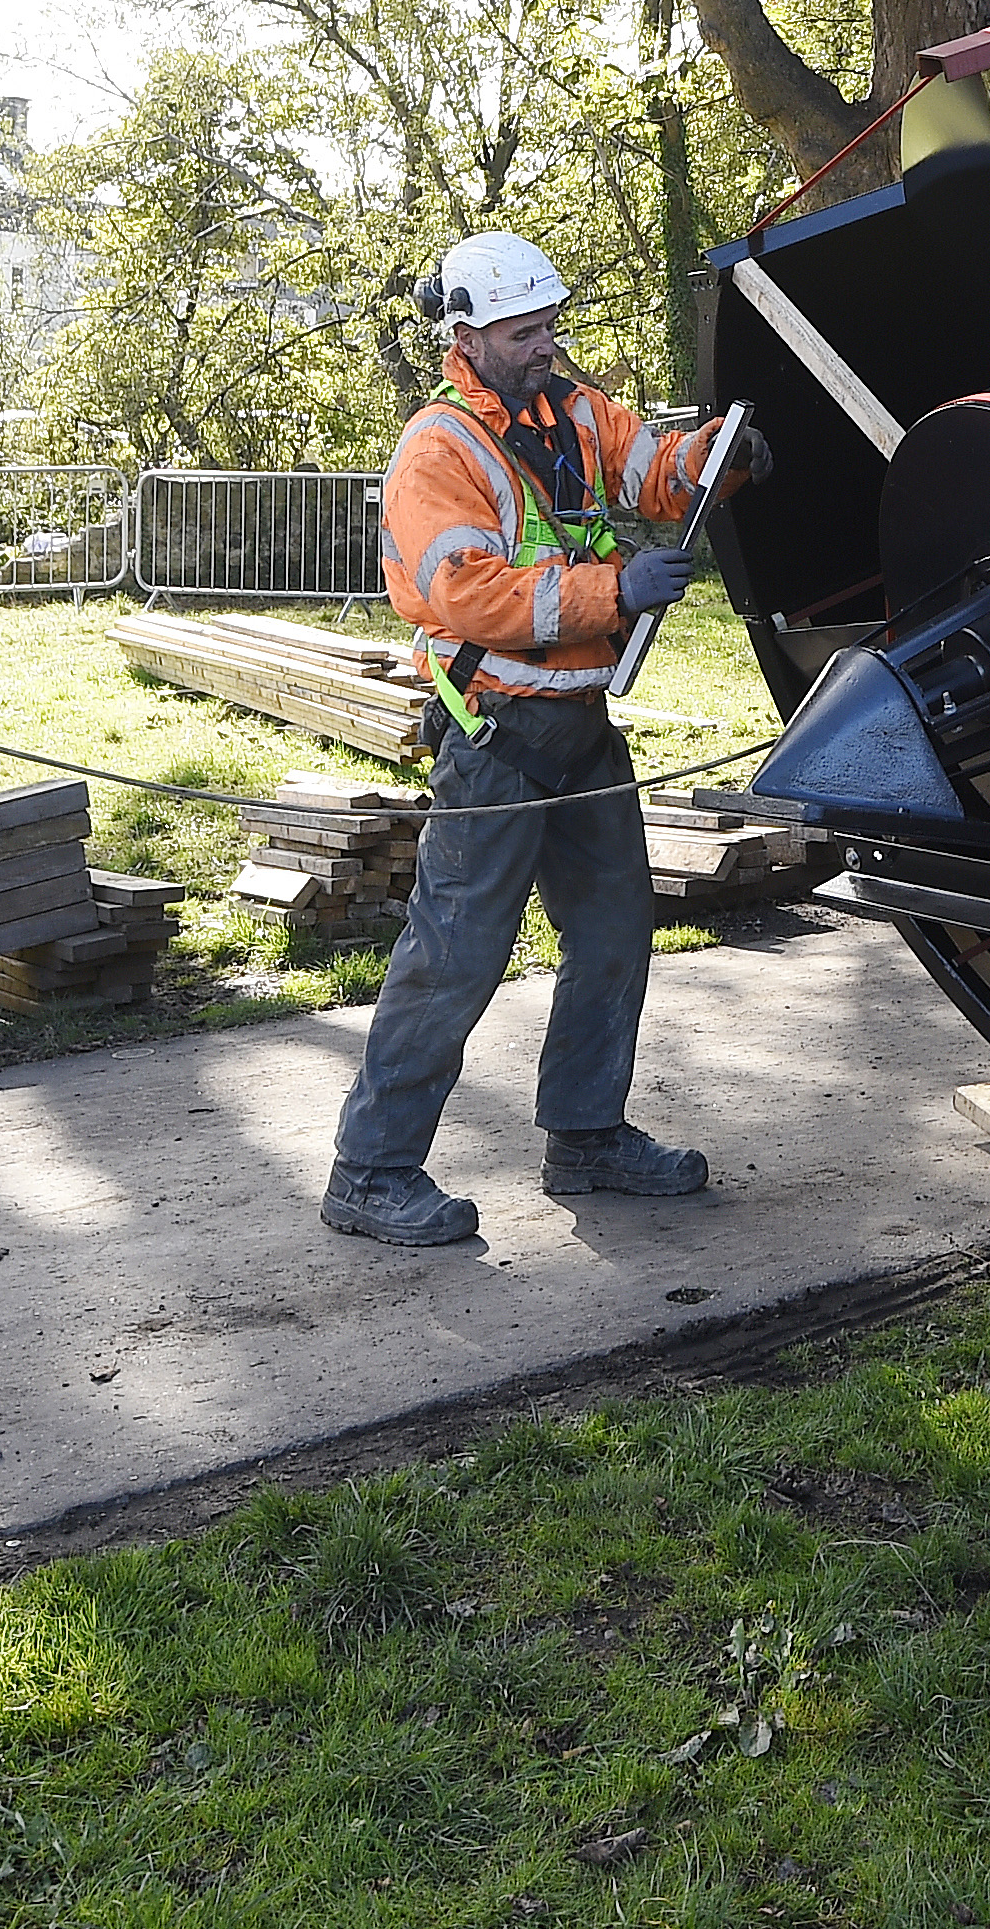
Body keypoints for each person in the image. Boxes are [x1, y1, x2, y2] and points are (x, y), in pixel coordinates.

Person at [328, 232, 764, 1248]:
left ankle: (586, 1136)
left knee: (613, 930)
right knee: (456, 956)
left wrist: (718, 458)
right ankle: (370, 1170)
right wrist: (613, 589)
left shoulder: (570, 412)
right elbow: (466, 593)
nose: (544, 346)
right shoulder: (439, 449)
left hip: (580, 725)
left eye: (549, 326)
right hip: (498, 740)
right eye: (524, 332)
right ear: (467, 335)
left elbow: (654, 468)